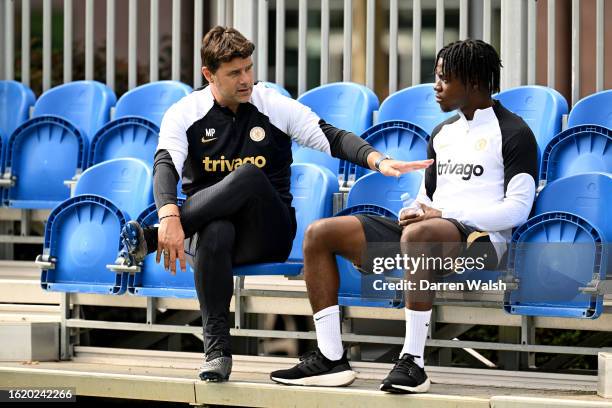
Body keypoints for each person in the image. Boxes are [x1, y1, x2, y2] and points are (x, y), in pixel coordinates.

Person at [113, 26, 432, 382]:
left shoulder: (271, 105)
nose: (246, 79)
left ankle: (154, 237)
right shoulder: (184, 113)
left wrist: (377, 159)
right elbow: (165, 165)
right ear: (209, 75)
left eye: (249, 68)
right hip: (209, 240)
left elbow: (331, 136)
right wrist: (169, 211)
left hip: (268, 232)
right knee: (216, 229)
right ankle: (216, 352)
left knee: (249, 175)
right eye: (234, 72)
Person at [270, 39, 539, 393]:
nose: (436, 86)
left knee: (419, 236)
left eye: (445, 78)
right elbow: (427, 196)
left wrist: (442, 213)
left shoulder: (515, 133)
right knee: (321, 233)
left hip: (483, 244)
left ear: (474, 82)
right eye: (436, 77)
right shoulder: (443, 133)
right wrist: (414, 210)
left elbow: (517, 210)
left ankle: (413, 362)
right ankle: (331, 357)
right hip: (431, 235)